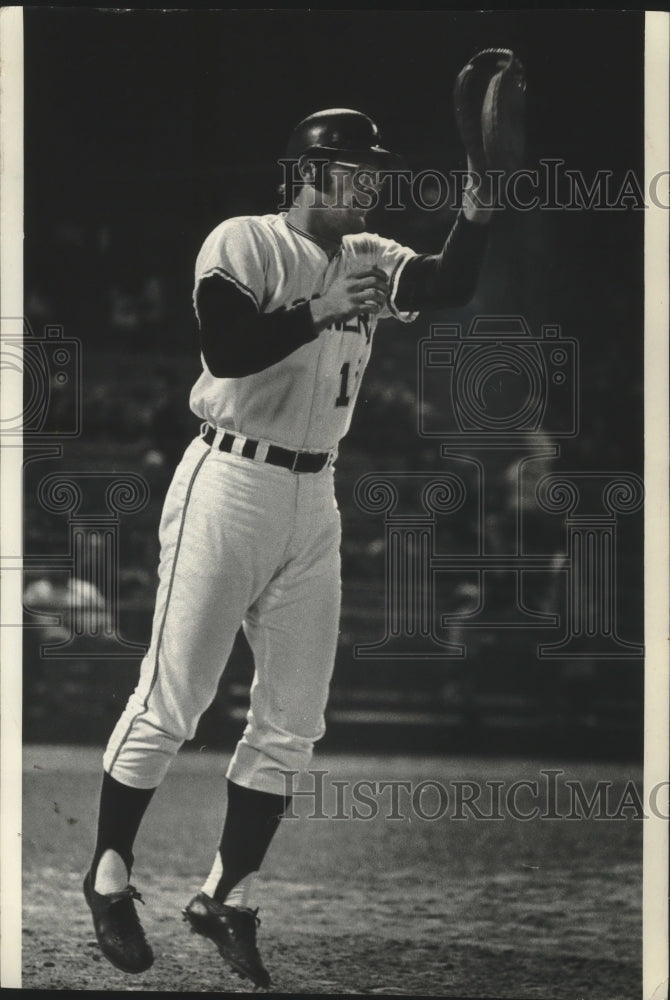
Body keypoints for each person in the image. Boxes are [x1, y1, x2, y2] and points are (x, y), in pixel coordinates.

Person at [84, 56, 520, 987]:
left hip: (313, 498)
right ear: (308, 174)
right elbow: (225, 346)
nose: (369, 183)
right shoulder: (241, 240)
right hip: (227, 480)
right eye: (355, 170)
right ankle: (110, 873)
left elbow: (446, 287)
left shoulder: (368, 255)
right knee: (175, 701)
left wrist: (479, 206)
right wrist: (320, 309)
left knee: (292, 721)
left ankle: (226, 897)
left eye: (373, 171)